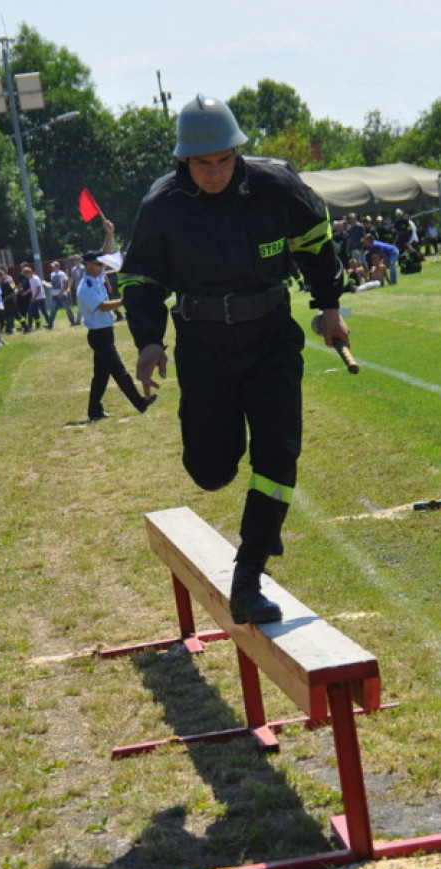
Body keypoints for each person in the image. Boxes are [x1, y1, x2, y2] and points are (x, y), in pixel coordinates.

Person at [120, 93, 348, 625]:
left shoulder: (277, 187)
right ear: (184, 161)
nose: (216, 172)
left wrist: (330, 306)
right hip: (203, 346)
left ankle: (249, 575)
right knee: (210, 469)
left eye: (225, 159)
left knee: (279, 452)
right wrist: (150, 341)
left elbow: (317, 241)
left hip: (271, 338)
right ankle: (219, 456)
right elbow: (139, 281)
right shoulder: (162, 207)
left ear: (238, 151)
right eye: (204, 163)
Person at [78, 221, 157, 423]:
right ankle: (140, 402)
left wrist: (109, 233)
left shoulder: (95, 277)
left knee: (101, 376)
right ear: (87, 265)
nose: (101, 266)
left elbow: (106, 252)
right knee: (119, 372)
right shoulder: (85, 286)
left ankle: (94, 410)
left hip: (105, 332)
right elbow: (103, 306)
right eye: (97, 264)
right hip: (99, 335)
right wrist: (124, 301)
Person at [48, 261, 75, 327]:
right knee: (53, 310)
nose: (52, 267)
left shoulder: (62, 273)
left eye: (53, 266)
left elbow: (65, 284)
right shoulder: (51, 274)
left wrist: (61, 293)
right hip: (54, 295)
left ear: (57, 266)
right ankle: (50, 324)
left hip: (62, 294)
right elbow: (53, 284)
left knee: (68, 308)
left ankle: (72, 321)